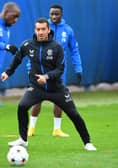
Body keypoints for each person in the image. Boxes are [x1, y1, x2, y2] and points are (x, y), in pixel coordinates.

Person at [1, 18, 96, 151]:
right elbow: (17, 59)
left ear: (48, 30)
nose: (40, 32)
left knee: (74, 114)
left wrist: (46, 77)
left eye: (43, 29)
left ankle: (87, 142)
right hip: (36, 88)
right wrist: (7, 72)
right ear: (35, 30)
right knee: (22, 106)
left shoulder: (57, 47)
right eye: (38, 29)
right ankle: (23, 139)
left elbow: (60, 69)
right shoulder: (27, 45)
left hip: (56, 89)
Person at [27, 4, 82, 137]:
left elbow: (74, 50)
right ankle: (31, 128)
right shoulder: (43, 28)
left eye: (56, 14)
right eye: (52, 14)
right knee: (37, 98)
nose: (54, 16)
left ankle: (57, 129)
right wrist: (30, 68)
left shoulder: (68, 30)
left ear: (61, 14)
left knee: (59, 99)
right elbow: (32, 49)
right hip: (40, 70)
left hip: (58, 72)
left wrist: (78, 68)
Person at [0, 2, 20, 97]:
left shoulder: (7, 29)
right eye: (14, 16)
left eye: (17, 17)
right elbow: (4, 46)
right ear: (6, 13)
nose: (16, 20)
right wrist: (7, 46)